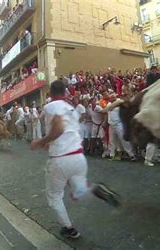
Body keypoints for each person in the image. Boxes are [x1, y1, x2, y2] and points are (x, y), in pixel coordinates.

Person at [30, 79, 121, 239]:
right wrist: (50, 142)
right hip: (78, 156)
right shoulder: (71, 109)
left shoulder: (51, 106)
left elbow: (58, 127)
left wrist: (41, 142)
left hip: (60, 159)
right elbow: (68, 130)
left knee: (54, 196)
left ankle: (69, 229)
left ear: (51, 93)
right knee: (79, 189)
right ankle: (97, 189)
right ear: (65, 93)